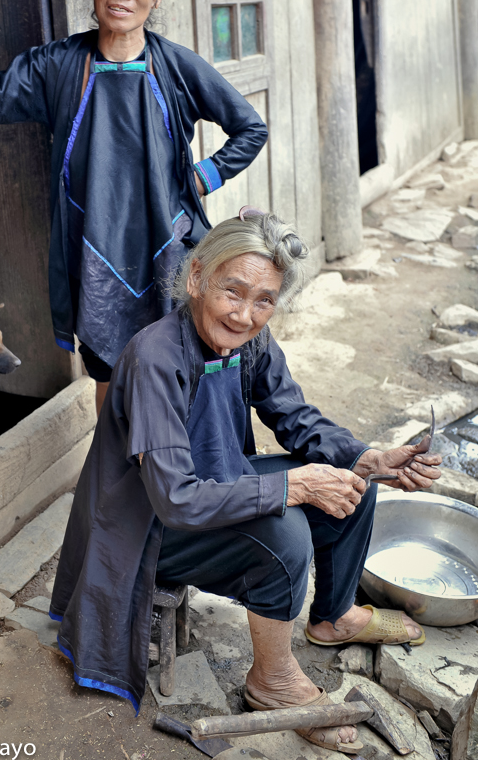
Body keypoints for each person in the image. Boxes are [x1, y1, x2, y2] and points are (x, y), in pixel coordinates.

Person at [49, 209, 442, 753]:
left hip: (214, 485)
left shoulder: (250, 340)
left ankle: (335, 615)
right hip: (147, 527)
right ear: (196, 279)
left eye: (264, 300)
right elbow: (175, 499)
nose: (245, 314)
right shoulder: (155, 357)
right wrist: (293, 487)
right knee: (285, 537)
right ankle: (271, 681)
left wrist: (367, 457)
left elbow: (294, 414)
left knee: (351, 482)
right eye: (232, 292)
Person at [0, 0, 267, 414]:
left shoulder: (178, 67)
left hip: (167, 241)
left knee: (180, 362)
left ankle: (180, 476)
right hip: (93, 246)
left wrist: (199, 177)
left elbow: (251, 129)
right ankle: (117, 477)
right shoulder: (57, 64)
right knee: (109, 372)